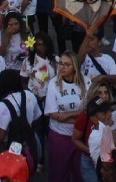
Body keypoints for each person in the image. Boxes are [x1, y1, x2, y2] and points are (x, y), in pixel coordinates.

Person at [45, 52, 88, 182]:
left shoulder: (86, 81)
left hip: (81, 135)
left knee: (81, 173)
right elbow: (53, 114)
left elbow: (92, 107)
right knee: (59, 174)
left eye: (66, 65)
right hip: (60, 136)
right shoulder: (53, 83)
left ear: (74, 66)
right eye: (61, 64)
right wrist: (81, 116)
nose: (62, 67)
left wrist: (70, 115)